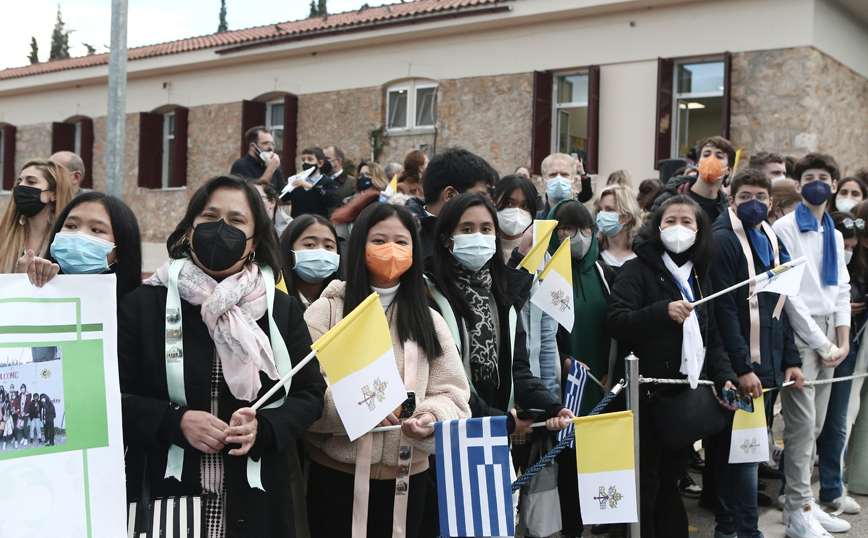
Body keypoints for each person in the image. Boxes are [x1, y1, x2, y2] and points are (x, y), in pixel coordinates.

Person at [118, 175, 326, 536]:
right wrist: (174, 421)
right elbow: (114, 399)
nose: (221, 229)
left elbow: (309, 394)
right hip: (167, 498)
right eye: (210, 217)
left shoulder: (280, 310)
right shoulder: (144, 304)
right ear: (189, 229)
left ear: (254, 242)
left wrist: (266, 428)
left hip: (254, 501)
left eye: (236, 220)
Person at [304, 202, 471, 538]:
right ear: (359, 246)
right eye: (378, 241)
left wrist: (430, 417)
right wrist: (359, 406)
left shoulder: (430, 319)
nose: (391, 250)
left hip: (411, 478)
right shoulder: (326, 312)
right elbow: (306, 391)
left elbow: (454, 394)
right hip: (337, 479)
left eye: (402, 241)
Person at [607, 195, 738, 538]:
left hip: (684, 396)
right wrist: (661, 312)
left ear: (699, 230)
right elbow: (617, 322)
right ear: (657, 226)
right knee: (645, 477)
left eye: (687, 222)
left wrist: (723, 377)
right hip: (647, 396)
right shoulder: (635, 270)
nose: (678, 228)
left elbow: (714, 339)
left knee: (671, 476)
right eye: (670, 221)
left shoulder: (699, 276)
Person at [708, 168, 806, 538]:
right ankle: (738, 529)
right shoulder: (723, 239)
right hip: (742, 366)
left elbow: (779, 305)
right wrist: (741, 366)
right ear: (731, 199)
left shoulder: (767, 235)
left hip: (768, 362)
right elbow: (726, 311)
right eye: (745, 197)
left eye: (761, 198)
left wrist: (791, 358)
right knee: (740, 455)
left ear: (771, 202)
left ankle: (738, 527)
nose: (754, 204)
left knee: (749, 450)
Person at [771, 152, 853, 537]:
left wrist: (842, 339)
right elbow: (791, 295)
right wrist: (823, 344)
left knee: (816, 425)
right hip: (800, 335)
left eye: (824, 177)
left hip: (828, 336)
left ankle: (802, 504)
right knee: (801, 426)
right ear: (798, 184)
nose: (817, 182)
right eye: (809, 177)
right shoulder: (785, 228)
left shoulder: (834, 233)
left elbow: (840, 290)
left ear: (833, 186)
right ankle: (799, 509)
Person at [814, 210, 864, 516]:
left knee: (837, 420)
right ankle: (792, 489)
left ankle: (832, 487)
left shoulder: (859, 265)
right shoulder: (814, 253)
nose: (847, 250)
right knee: (808, 422)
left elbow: (844, 294)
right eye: (842, 244)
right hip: (814, 340)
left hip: (849, 345)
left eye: (852, 245)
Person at [15, 192, 143, 298]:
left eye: (96, 230)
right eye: (71, 226)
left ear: (120, 250)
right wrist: (21, 286)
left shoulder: (138, 310)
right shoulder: (39, 288)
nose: (79, 234)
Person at [404, 147, 497, 260]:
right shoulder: (405, 237)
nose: (483, 204)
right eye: (478, 196)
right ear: (450, 195)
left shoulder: (484, 234)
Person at [0, 159, 74, 273]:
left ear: (54, 194)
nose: (20, 187)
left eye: (31, 182)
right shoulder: (5, 237)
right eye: (19, 182)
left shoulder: (66, 243)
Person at [649, 136, 735, 222]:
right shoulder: (669, 198)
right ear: (697, 165)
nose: (711, 160)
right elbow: (647, 233)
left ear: (729, 169)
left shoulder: (728, 211)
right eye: (706, 155)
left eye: (719, 156)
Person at [279, 214, 342, 310]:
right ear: (289, 250)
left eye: (328, 246)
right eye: (310, 244)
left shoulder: (345, 300)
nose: (321, 252)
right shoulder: (275, 300)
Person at [596, 184, 642, 270]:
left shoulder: (644, 255)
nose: (602, 214)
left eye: (610, 209)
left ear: (627, 216)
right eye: (599, 210)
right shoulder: (593, 255)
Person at [284, 146, 339, 219]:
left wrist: (311, 187)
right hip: (298, 225)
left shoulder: (326, 182)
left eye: (310, 159)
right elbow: (282, 198)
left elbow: (331, 199)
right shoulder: (297, 182)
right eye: (303, 160)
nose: (305, 162)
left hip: (319, 225)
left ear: (320, 163)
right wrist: (289, 186)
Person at [493, 174, 537, 262]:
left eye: (524, 206)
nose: (517, 211)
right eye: (509, 204)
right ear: (494, 202)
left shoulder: (536, 251)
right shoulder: (484, 249)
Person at [230, 126, 286, 192]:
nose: (271, 147)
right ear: (253, 146)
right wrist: (270, 168)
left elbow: (282, 191)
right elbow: (254, 192)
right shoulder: (240, 165)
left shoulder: (272, 165)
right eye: (266, 143)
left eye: (272, 143)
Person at [537, 153, 592, 219]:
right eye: (553, 174)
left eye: (565, 174)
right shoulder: (535, 221)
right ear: (544, 183)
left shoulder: (586, 220)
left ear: (574, 182)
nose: (559, 179)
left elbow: (587, 193)